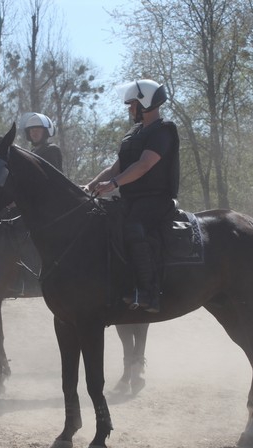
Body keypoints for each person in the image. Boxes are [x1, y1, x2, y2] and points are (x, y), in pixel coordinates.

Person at [84, 79, 180, 313]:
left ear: (145, 103)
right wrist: (90, 186)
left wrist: (113, 184)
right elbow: (117, 167)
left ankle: (149, 293)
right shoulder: (135, 134)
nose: (129, 108)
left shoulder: (163, 130)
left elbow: (144, 165)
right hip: (131, 198)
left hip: (155, 199)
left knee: (133, 228)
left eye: (132, 104)